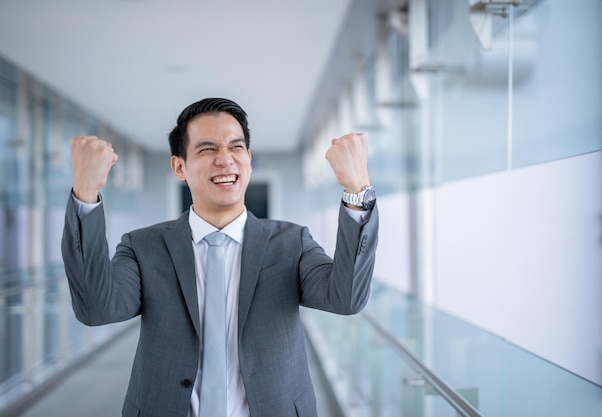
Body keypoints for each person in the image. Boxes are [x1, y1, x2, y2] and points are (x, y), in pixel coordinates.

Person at [61, 97, 378, 417]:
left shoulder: (292, 243)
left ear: (249, 160)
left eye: (236, 147)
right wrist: (85, 194)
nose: (225, 160)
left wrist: (356, 190)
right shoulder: (143, 247)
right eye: (207, 149)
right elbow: (97, 309)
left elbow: (346, 298)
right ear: (179, 167)